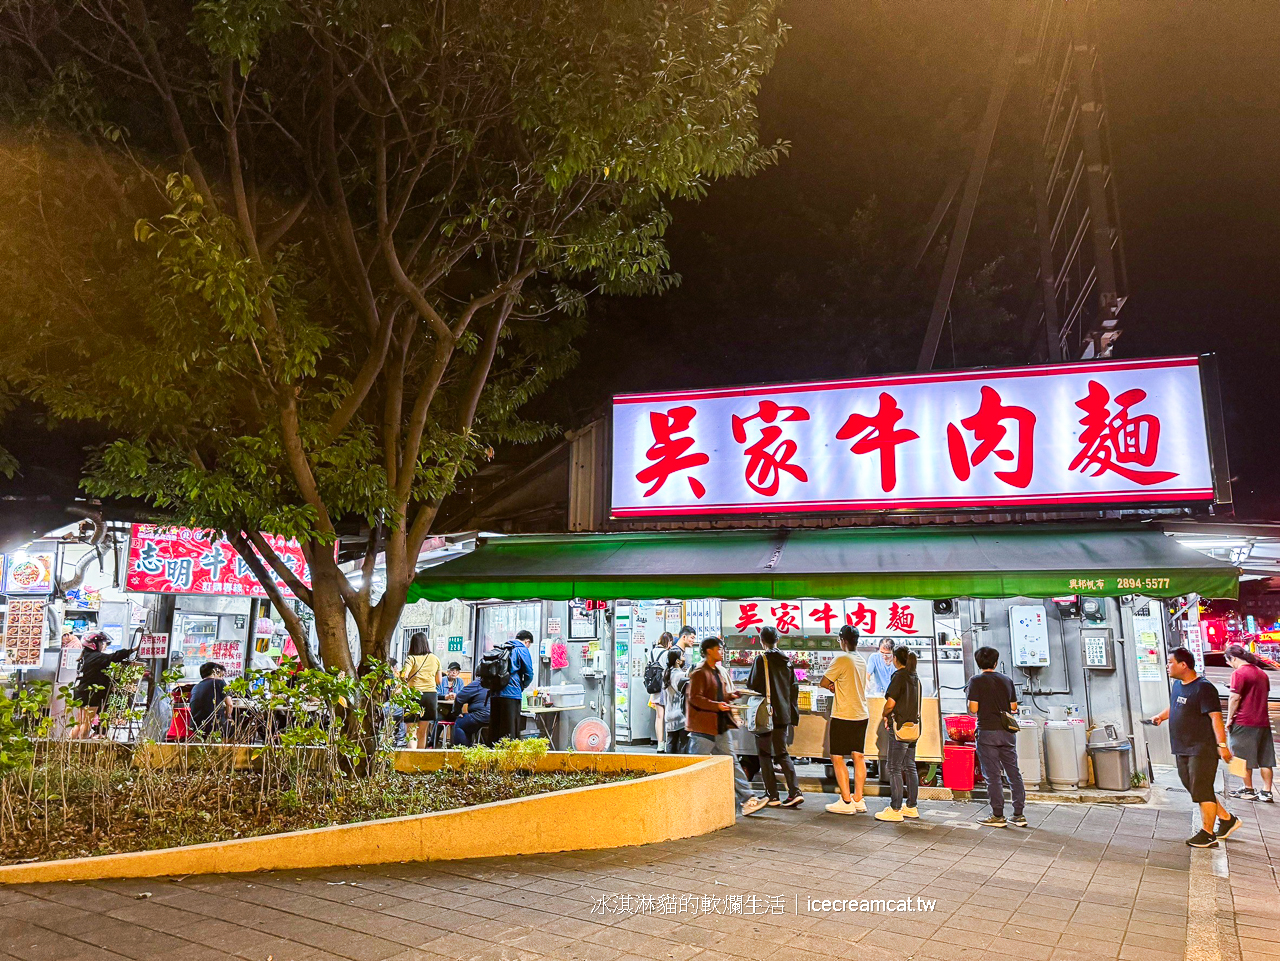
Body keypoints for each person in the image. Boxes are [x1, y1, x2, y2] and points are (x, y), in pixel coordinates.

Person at [1150, 647, 1239, 846]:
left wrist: (1222, 745)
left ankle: (1208, 834)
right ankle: (1226, 819)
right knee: (1192, 786)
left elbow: (1216, 718)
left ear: (1184, 665)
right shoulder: (1178, 684)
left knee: (1202, 788)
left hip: (1202, 748)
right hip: (1182, 746)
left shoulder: (1204, 688)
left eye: (1170, 662)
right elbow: (1175, 706)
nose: (1167, 666)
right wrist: (1161, 716)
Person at [686, 636, 766, 817]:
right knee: (694, 766)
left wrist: (731, 696)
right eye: (719, 649)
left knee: (732, 763)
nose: (722, 652)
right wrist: (717, 705)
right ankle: (687, 801)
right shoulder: (700, 672)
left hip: (719, 726)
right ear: (709, 652)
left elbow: (718, 695)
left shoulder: (716, 671)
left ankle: (747, 799)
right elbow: (695, 698)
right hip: (704, 728)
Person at [967, 646, 1026, 828]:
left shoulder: (975, 681)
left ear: (978, 663)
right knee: (1013, 772)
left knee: (992, 775)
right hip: (1007, 732)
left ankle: (998, 815)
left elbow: (974, 709)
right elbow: (1014, 706)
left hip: (987, 733)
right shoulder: (1006, 680)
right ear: (995, 662)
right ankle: (1018, 814)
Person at [745, 626, 803, 808]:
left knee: (764, 754)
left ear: (762, 641)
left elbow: (753, 684)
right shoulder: (787, 661)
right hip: (783, 713)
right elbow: (794, 687)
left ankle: (772, 794)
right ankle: (795, 792)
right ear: (777, 640)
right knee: (782, 753)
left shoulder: (762, 659)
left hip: (766, 713)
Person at [822, 625, 869, 814]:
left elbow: (824, 682)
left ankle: (846, 801)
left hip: (843, 714)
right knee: (858, 756)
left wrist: (833, 687)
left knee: (837, 757)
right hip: (861, 713)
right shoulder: (861, 660)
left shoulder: (841, 658)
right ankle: (859, 798)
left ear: (843, 640)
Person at [876, 646, 922, 822]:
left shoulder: (899, 676)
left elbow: (890, 703)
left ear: (896, 659)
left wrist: (885, 714)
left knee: (894, 767)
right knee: (910, 766)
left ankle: (895, 809)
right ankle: (911, 807)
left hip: (900, 728)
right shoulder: (915, 677)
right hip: (914, 728)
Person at [1224, 644, 1274, 802]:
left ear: (1233, 658)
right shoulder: (1262, 673)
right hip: (1263, 722)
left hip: (1243, 721)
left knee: (1239, 758)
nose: (1229, 665)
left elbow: (1235, 698)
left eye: (1229, 662)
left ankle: (1248, 789)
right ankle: (1267, 792)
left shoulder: (1238, 673)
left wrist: (1229, 719)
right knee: (1266, 759)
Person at [69, 632, 136, 739]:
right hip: (90, 693)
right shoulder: (96, 657)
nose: (102, 645)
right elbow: (114, 657)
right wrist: (132, 650)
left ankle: (69, 746)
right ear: (93, 644)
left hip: (79, 691)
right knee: (86, 723)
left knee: (79, 722)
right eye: (101, 642)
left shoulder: (85, 656)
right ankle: (82, 748)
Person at [490, 629, 535, 743]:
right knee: (510, 732)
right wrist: (522, 686)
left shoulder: (502, 648)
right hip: (511, 695)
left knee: (495, 731)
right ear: (527, 642)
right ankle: (508, 759)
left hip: (494, 694)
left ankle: (492, 758)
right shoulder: (522, 650)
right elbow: (529, 673)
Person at [400, 632, 442, 750]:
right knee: (423, 732)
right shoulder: (435, 659)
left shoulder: (411, 658)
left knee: (411, 731)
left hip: (413, 695)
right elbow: (439, 681)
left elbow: (404, 675)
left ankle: (412, 758)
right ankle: (420, 762)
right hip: (430, 696)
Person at [189, 661, 233, 739]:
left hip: (196, 726)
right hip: (214, 726)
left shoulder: (196, 686)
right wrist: (228, 717)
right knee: (236, 724)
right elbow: (229, 704)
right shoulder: (220, 682)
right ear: (215, 672)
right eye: (221, 675)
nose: (222, 677)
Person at [650, 632, 675, 751]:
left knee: (659, 716)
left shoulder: (651, 652)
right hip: (664, 687)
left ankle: (660, 744)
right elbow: (669, 670)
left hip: (654, 687)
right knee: (667, 716)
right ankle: (667, 743)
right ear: (669, 642)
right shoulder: (667, 653)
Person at [451, 675, 493, 747]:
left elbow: (459, 697)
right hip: (495, 717)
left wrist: (456, 713)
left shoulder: (477, 684)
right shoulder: (497, 683)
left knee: (459, 724)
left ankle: (462, 751)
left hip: (480, 716)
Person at [663, 647, 690, 755]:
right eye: (682, 656)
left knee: (671, 744)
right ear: (677, 661)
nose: (684, 658)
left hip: (669, 715)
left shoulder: (666, 675)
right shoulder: (681, 675)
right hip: (681, 715)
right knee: (684, 745)